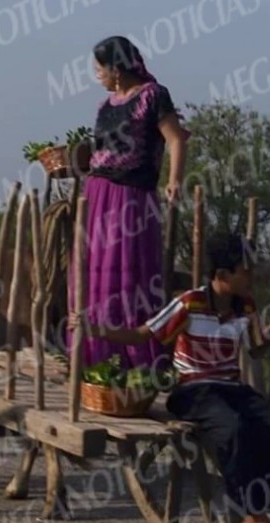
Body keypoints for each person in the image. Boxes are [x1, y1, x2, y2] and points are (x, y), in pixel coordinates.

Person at [68, 233, 270, 523]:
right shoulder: (190, 303)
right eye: (244, 271)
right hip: (194, 391)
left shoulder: (245, 306)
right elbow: (144, 333)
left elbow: (257, 349)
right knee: (234, 431)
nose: (251, 277)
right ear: (222, 275)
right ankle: (253, 518)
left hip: (231, 388)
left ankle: (254, 512)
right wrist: (96, 329)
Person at [67, 35, 189, 373]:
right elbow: (101, 153)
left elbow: (176, 139)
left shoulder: (153, 96)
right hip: (97, 195)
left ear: (116, 69)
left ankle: (131, 359)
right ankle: (92, 355)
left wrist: (174, 180)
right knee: (91, 273)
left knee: (129, 275)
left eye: (99, 69)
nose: (97, 76)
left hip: (131, 197)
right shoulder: (105, 106)